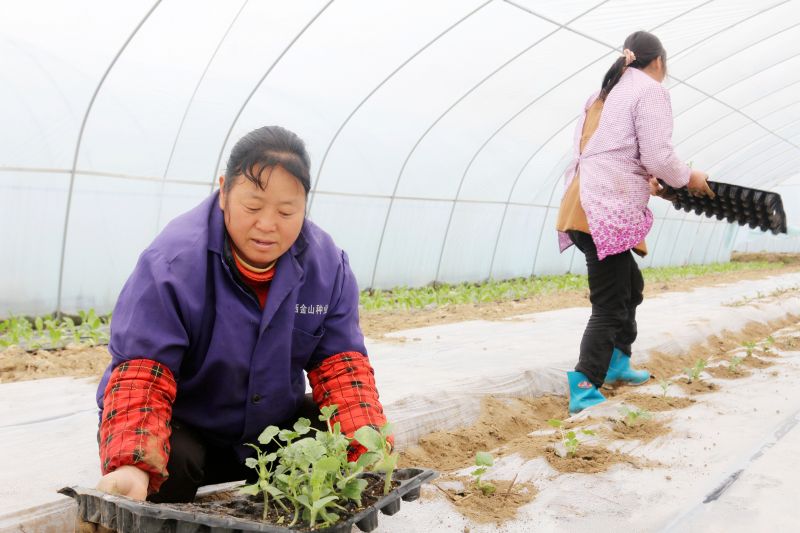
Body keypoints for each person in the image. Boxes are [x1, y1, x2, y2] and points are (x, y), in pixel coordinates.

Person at [94, 126, 389, 502]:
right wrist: (132, 465)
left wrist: (369, 448)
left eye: (286, 211)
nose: (268, 225)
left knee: (332, 443)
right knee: (169, 469)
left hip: (269, 431)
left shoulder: (326, 266)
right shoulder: (173, 264)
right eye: (253, 207)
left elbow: (341, 365)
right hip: (188, 426)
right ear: (224, 192)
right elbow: (143, 371)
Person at [556, 31, 714, 414]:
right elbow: (658, 154)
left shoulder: (605, 92)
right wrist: (689, 177)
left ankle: (617, 361)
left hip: (583, 203)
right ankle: (584, 383)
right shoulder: (649, 90)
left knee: (630, 284)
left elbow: (615, 152)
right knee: (610, 303)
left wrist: (653, 179)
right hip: (601, 209)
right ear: (658, 62)